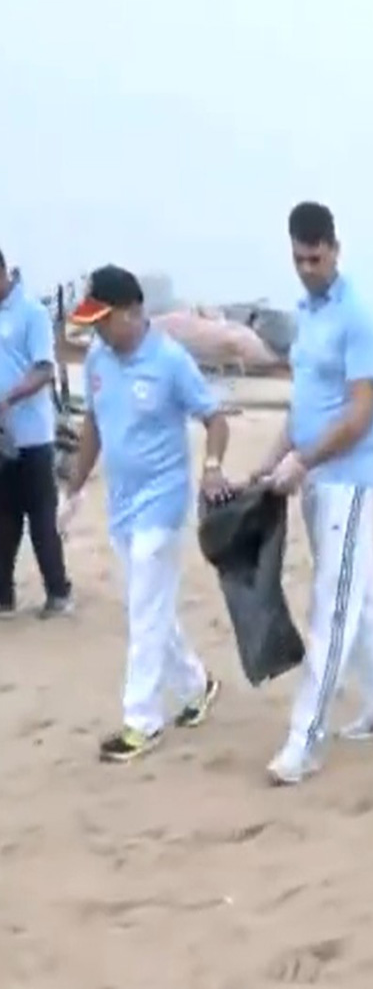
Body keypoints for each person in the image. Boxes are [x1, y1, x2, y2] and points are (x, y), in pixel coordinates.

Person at [250, 201, 373, 786]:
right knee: (358, 593)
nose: (308, 268)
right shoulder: (306, 314)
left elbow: (361, 414)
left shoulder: (358, 318)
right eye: (298, 259)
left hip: (347, 480)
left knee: (332, 607)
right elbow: (304, 406)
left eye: (316, 258)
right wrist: (270, 463)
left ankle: (304, 739)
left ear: (335, 249)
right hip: (312, 476)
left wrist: (305, 459)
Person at [59, 267, 227, 761]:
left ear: (132, 313)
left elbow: (214, 418)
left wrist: (213, 467)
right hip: (122, 505)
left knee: (144, 610)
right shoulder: (98, 357)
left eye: (103, 320)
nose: (96, 331)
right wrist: (72, 490)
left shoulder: (171, 362)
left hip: (163, 500)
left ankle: (141, 721)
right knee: (148, 606)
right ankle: (197, 686)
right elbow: (93, 421)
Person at [0, 251, 73, 618]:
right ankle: (3, 597)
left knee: (41, 518)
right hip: (2, 438)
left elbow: (44, 369)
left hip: (33, 436)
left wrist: (9, 398)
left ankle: (58, 594)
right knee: (3, 518)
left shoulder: (32, 313)